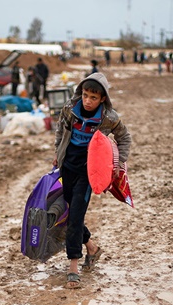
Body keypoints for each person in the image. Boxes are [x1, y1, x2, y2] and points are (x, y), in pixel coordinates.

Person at [53, 73, 132, 289]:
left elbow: (125, 138)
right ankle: (92, 246)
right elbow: (60, 130)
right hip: (68, 166)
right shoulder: (70, 109)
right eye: (85, 96)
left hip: (90, 172)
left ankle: (73, 268)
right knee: (71, 215)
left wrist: (118, 163)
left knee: (76, 214)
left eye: (93, 98)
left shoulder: (109, 118)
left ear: (103, 99)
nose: (88, 101)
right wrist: (57, 152)